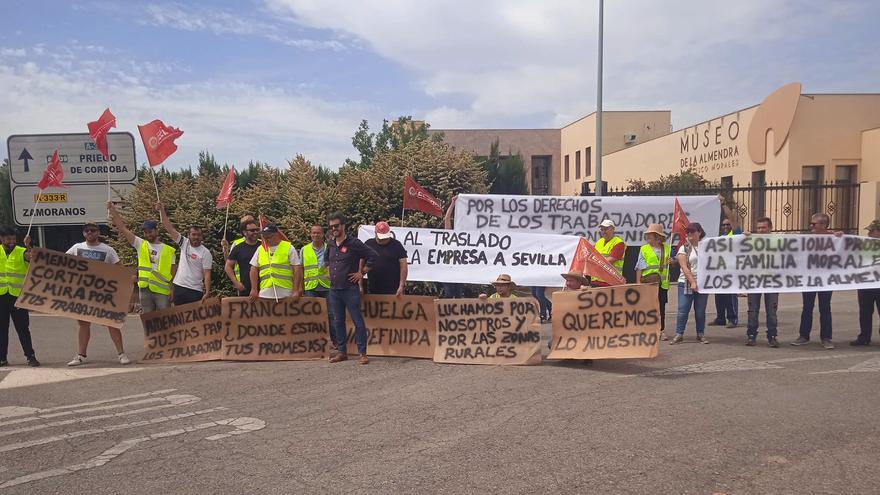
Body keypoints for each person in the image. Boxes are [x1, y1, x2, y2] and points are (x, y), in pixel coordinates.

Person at [66, 223, 131, 366]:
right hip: (83, 293)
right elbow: (61, 264)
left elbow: (119, 269)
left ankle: (121, 354)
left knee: (111, 323)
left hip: (103, 294)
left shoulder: (108, 250)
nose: (90, 232)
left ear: (98, 233)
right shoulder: (77, 248)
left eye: (93, 230)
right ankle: (81, 355)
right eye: (87, 230)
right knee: (83, 324)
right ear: (84, 233)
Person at [325, 212, 377, 364]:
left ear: (343, 226)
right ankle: (342, 352)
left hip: (350, 289)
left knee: (357, 321)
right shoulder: (331, 243)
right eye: (331, 227)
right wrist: (329, 271)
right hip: (334, 290)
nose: (334, 229)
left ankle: (363, 353)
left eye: (336, 226)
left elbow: (372, 255)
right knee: (338, 321)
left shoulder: (354, 243)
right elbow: (327, 260)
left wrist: (362, 272)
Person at [108, 202, 176, 313]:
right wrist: (112, 210)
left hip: (162, 291)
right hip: (144, 289)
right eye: (145, 232)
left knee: (165, 320)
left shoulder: (168, 250)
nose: (147, 234)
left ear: (156, 231)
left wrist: (173, 289)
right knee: (148, 321)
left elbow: (173, 271)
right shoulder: (141, 244)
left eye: (150, 231)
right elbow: (123, 228)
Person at [792, 213, 836, 349]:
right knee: (807, 307)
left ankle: (826, 337)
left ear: (823, 225)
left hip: (826, 280)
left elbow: (845, 247)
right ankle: (804, 335)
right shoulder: (806, 239)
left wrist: (839, 235)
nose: (810, 226)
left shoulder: (834, 239)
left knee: (825, 308)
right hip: (809, 279)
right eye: (810, 223)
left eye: (814, 224)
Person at [157, 203, 213, 305]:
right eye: (193, 234)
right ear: (189, 235)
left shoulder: (206, 253)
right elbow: (168, 227)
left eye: (199, 235)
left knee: (194, 320)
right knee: (179, 319)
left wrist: (208, 291)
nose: (196, 237)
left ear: (202, 237)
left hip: (195, 290)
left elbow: (207, 273)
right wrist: (162, 210)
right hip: (179, 287)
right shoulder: (184, 243)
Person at [0, 226, 38, 367]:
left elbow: (33, 257)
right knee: (1, 330)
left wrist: (28, 245)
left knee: (23, 329)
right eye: (8, 238)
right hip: (1, 297)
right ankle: (2, 358)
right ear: (2, 238)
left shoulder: (21, 252)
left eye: (14, 239)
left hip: (17, 297)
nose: (11, 241)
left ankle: (30, 356)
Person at [670, 222, 709, 345]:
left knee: (700, 311)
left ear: (699, 232)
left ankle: (700, 334)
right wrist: (692, 282)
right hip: (686, 283)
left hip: (702, 283)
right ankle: (679, 333)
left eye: (692, 232)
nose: (689, 234)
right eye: (688, 232)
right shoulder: (684, 248)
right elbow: (684, 267)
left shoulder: (707, 246)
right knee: (683, 309)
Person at [744, 217, 780, 348]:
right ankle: (751, 335)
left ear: (770, 228)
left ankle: (772, 336)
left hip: (772, 282)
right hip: (754, 281)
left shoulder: (778, 242)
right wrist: (745, 238)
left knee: (771, 310)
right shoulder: (751, 240)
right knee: (752, 310)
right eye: (758, 228)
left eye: (763, 228)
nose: (760, 230)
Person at [301, 224, 336, 351]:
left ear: (323, 235)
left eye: (318, 233)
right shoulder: (304, 250)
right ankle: (316, 341)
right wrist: (300, 288)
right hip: (311, 287)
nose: (315, 235)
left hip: (327, 286)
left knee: (332, 315)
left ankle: (334, 340)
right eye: (313, 233)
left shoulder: (331, 248)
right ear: (310, 234)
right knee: (313, 316)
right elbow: (301, 269)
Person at [710, 195, 742, 328]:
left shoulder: (736, 234)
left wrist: (724, 204)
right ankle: (720, 317)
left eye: (727, 224)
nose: (725, 227)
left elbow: (733, 220)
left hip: (731, 270)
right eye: (723, 225)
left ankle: (732, 318)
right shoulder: (720, 237)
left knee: (730, 296)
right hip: (720, 270)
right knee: (719, 296)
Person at [248, 224, 303, 300]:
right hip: (265, 292)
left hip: (286, 292)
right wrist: (254, 289)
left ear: (277, 235)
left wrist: (296, 290)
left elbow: (297, 269)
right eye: (264, 237)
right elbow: (253, 269)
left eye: (269, 237)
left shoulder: (289, 247)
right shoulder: (260, 249)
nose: (266, 239)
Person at [635, 223, 671, 341]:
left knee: (661, 308)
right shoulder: (644, 248)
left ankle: (661, 330)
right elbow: (639, 267)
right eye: (647, 236)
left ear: (657, 236)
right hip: (648, 284)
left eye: (650, 236)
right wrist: (638, 284)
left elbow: (671, 264)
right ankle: (647, 330)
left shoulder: (667, 248)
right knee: (647, 307)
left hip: (662, 284)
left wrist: (672, 261)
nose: (647, 238)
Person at [852, 220, 880, 346]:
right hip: (866, 284)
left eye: (872, 231)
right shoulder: (863, 244)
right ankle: (864, 337)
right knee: (865, 312)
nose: (868, 233)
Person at [363, 221, 408, 296]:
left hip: (393, 290)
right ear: (375, 233)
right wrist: (360, 285)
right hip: (373, 289)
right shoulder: (368, 244)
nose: (384, 239)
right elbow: (360, 264)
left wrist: (401, 286)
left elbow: (403, 266)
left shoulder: (397, 245)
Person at [225, 219, 261, 296]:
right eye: (252, 230)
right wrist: (236, 282)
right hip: (245, 288)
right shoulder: (238, 248)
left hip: (264, 288)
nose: (255, 232)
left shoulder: (263, 246)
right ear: (245, 232)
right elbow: (228, 266)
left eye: (257, 230)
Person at [441, 196, 464, 298]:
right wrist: (453, 203)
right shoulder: (450, 236)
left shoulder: (467, 240)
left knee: (458, 294)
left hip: (459, 271)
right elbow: (447, 218)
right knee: (449, 294)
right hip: (447, 271)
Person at [221, 214, 255, 282]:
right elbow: (228, 262)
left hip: (259, 281)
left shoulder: (261, 243)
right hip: (241, 281)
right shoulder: (237, 243)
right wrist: (225, 249)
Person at [592, 219, 626, 287]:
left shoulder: (619, 243)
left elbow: (609, 261)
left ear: (613, 229)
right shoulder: (599, 242)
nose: (604, 232)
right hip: (595, 282)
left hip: (611, 283)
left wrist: (592, 263)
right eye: (602, 229)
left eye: (606, 229)